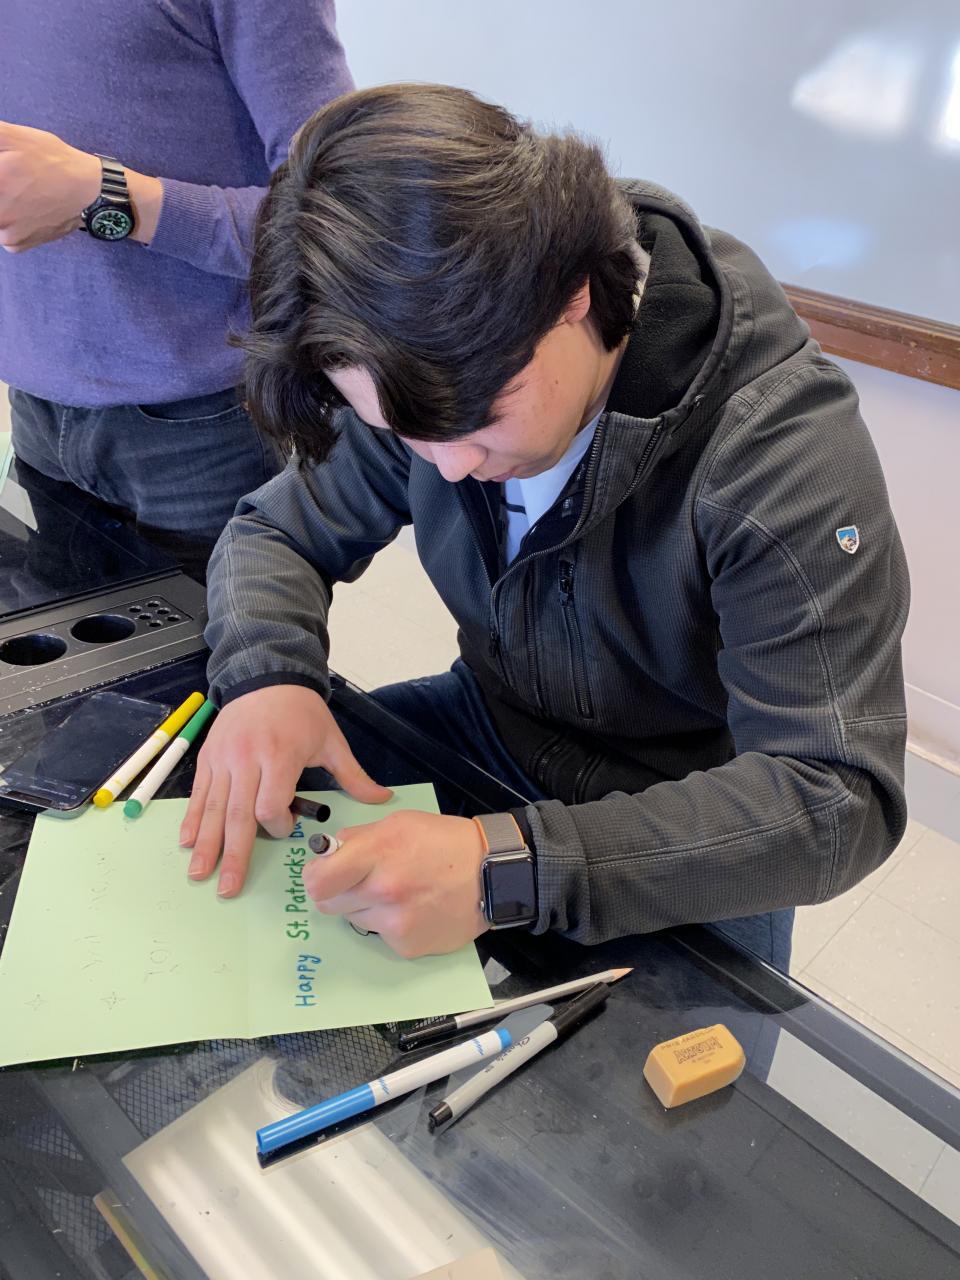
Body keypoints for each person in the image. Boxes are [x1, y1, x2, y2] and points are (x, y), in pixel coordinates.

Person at [181, 84, 909, 970]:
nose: (448, 466)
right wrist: (267, 676)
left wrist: (513, 866)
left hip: (693, 816)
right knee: (232, 868)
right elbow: (276, 533)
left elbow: (835, 798)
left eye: (478, 417)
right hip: (490, 728)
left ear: (571, 296)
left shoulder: (782, 456)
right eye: (404, 433)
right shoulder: (419, 365)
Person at [0, 1, 352, 573]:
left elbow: (337, 214)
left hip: (202, 430)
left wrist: (107, 197)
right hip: (34, 405)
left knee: (224, 635)